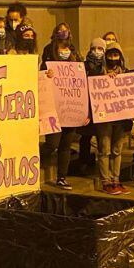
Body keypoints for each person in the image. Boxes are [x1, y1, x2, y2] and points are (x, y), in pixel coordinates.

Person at [41, 37, 78, 189]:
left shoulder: (76, 67)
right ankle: (34, 163)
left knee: (65, 146)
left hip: (70, 111)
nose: (65, 52)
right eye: (62, 49)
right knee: (51, 144)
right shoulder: (47, 66)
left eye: (67, 49)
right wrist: (46, 75)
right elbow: (41, 83)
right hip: (53, 111)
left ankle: (62, 177)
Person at [96, 41, 130, 194]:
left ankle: (116, 179)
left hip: (121, 118)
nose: (113, 58)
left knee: (117, 150)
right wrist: (105, 78)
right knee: (105, 149)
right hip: (105, 118)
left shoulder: (126, 73)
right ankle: (106, 181)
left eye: (115, 55)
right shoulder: (99, 71)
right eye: (110, 55)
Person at [76, 36, 107, 173]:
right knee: (86, 137)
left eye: (100, 49)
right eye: (94, 48)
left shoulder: (107, 67)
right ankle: (84, 161)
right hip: (87, 106)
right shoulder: (83, 66)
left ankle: (102, 166)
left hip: (102, 107)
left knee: (102, 138)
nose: (96, 51)